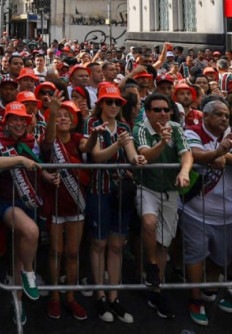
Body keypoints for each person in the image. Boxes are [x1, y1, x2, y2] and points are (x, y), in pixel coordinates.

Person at [182, 98, 232, 325]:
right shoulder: (192, 131)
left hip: (227, 214)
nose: (224, 119)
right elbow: (195, 154)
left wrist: (224, 155)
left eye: (226, 116)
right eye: (219, 114)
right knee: (196, 256)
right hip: (196, 211)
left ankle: (210, 291)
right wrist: (217, 153)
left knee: (220, 259)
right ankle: (194, 299)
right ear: (206, 116)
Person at [0, 102, 48, 325]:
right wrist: (20, 160)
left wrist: (48, 176)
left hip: (29, 203)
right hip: (7, 202)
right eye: (14, 119)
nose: (19, 123)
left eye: (23, 119)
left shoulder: (33, 142)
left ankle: (17, 304)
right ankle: (30, 274)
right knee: (31, 232)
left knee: (18, 258)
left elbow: (39, 167)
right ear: (7, 121)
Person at [133, 92, 193, 320]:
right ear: (148, 112)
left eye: (166, 110)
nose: (162, 113)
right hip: (146, 187)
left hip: (170, 191)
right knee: (149, 221)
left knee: (164, 244)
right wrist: (162, 141)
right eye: (157, 110)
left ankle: (157, 290)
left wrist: (185, 170)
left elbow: (186, 153)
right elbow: (145, 155)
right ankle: (150, 266)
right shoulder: (140, 128)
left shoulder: (176, 127)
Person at [82, 83, 138, 324]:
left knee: (116, 245)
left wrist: (139, 158)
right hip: (98, 190)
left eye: (117, 102)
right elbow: (96, 155)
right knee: (98, 243)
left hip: (120, 192)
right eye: (109, 102)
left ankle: (114, 297)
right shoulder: (91, 124)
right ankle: (100, 295)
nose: (114, 106)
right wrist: (119, 145)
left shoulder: (125, 126)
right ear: (101, 104)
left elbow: (132, 154)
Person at [40, 97, 89, 321]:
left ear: (73, 120)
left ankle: (70, 297)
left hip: (76, 202)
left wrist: (96, 131)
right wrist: (50, 113)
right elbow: (49, 142)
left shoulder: (78, 138)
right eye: (58, 115)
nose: (62, 118)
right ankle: (55, 297)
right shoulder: (47, 138)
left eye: (66, 116)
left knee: (72, 253)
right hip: (56, 203)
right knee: (55, 252)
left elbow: (89, 147)